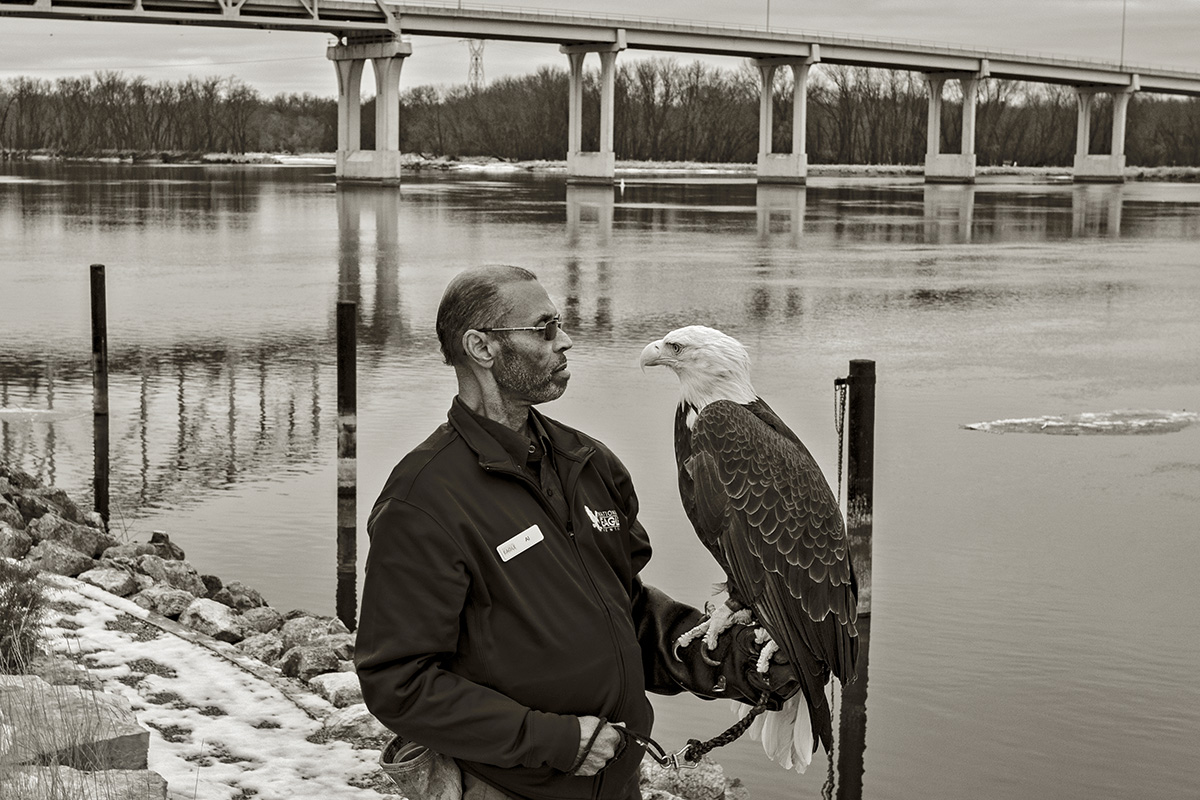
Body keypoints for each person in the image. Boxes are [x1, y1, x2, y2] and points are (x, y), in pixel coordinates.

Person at [355, 265, 796, 800]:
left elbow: (621, 614)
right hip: (504, 787)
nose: (565, 340)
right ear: (481, 347)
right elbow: (398, 683)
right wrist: (556, 740)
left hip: (615, 783)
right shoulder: (424, 500)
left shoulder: (588, 464)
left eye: (560, 323)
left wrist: (728, 659)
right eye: (543, 329)